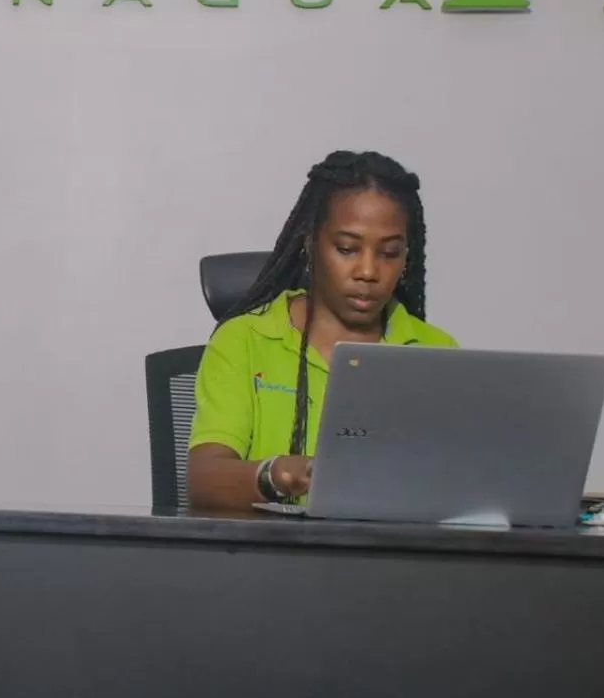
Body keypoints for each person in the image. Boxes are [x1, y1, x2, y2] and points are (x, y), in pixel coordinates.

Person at [187, 150, 457, 510]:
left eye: (389, 253)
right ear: (310, 242)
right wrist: (277, 475)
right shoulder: (245, 340)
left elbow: (456, 485)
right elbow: (204, 479)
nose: (368, 271)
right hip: (271, 560)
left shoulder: (433, 350)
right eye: (347, 249)